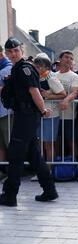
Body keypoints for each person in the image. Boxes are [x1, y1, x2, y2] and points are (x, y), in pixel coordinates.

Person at [0, 38, 58, 207]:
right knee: (33, 155)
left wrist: (43, 110)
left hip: (27, 116)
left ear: (22, 50)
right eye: (9, 51)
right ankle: (49, 190)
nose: (13, 54)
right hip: (23, 115)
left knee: (16, 155)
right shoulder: (17, 68)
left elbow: (35, 92)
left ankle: (10, 195)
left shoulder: (25, 68)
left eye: (15, 50)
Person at [0, 44, 13, 181]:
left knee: (10, 142)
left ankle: (12, 172)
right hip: (1, 111)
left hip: (7, 111)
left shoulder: (8, 68)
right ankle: (3, 170)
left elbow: (7, 89)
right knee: (1, 144)